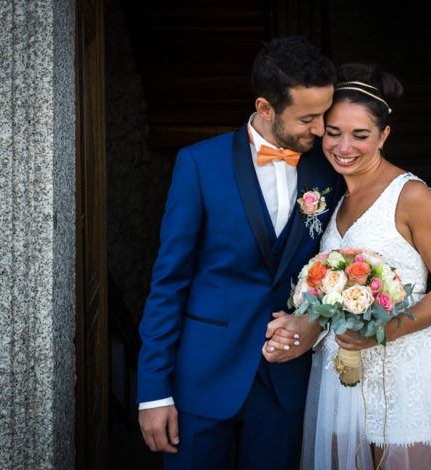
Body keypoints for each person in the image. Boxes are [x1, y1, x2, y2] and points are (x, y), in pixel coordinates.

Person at [136, 36, 344, 469]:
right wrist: (153, 389)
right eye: (308, 117)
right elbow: (168, 282)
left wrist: (313, 324)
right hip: (201, 378)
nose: (322, 129)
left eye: (324, 113)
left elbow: (339, 263)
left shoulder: (330, 171)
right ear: (266, 108)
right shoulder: (198, 164)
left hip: (285, 382)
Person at [300, 63, 431, 470]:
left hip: (407, 371)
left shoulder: (412, 196)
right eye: (334, 132)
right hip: (342, 372)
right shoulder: (333, 197)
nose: (344, 146)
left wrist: (382, 332)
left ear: (384, 136)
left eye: (360, 135)